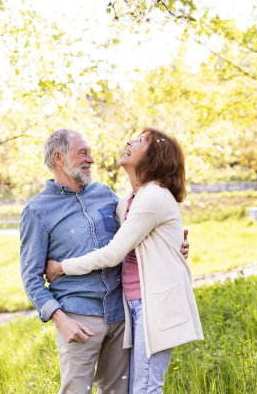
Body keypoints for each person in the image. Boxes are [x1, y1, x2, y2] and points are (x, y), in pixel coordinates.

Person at [20, 129, 190, 394]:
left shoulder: (105, 194)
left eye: (90, 153)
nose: (91, 160)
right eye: (83, 153)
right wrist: (61, 320)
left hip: (120, 316)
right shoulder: (37, 211)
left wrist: (173, 244)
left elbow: (135, 233)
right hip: (78, 319)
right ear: (59, 158)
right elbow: (31, 279)